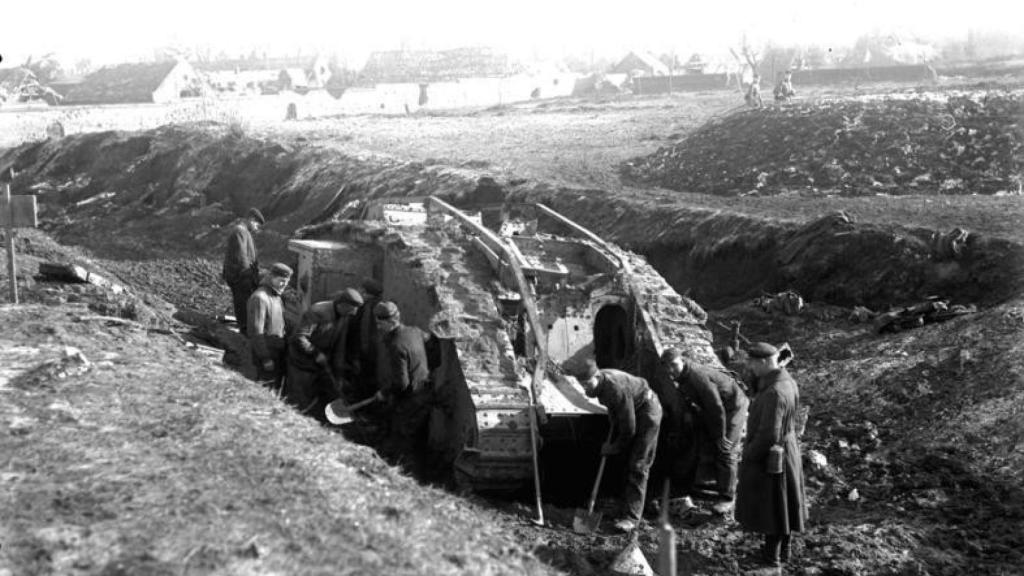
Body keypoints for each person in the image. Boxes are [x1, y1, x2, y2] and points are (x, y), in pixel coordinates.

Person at [735, 342, 807, 568]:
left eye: (753, 363)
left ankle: (771, 558)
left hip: (773, 457)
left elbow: (768, 434)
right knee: (784, 505)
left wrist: (748, 456)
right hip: (788, 449)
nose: (750, 367)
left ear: (765, 362)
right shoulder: (788, 382)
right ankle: (783, 552)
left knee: (773, 507)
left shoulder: (774, 392)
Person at [576, 359, 662, 533]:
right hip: (632, 407)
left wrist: (614, 447)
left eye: (587, 384)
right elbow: (617, 409)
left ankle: (632, 518)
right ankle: (625, 503)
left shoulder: (615, 388)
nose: (585, 388)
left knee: (638, 464)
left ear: (598, 376)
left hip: (648, 411)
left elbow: (629, 429)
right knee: (626, 460)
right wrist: (613, 423)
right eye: (581, 385)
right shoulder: (602, 384)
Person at [661, 348, 749, 515]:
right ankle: (706, 484)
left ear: (683, 361)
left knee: (726, 450)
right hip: (713, 409)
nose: (670, 369)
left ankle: (727, 497)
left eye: (673, 365)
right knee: (702, 441)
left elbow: (717, 408)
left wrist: (720, 435)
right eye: (667, 366)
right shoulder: (681, 377)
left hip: (732, 407)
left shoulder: (697, 376)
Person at [373, 301, 433, 477]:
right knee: (419, 439)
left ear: (391, 322)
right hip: (425, 392)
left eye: (380, 322)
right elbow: (430, 341)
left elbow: (401, 384)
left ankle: (406, 476)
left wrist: (383, 393)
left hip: (411, 399)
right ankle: (423, 473)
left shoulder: (396, 346)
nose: (377, 326)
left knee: (403, 439)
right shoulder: (415, 332)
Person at [285, 288, 364, 418]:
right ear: (342, 304)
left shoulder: (344, 316)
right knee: (299, 399)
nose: (354, 313)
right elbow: (300, 337)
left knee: (319, 396)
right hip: (301, 363)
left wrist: (338, 373)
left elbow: (340, 345)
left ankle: (316, 420)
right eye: (353, 308)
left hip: (319, 364)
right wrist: (315, 353)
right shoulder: (317, 312)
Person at [247, 263, 292, 388]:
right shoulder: (260, 298)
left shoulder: (276, 295)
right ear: (271, 277)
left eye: (287, 281)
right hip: (267, 352)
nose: (285, 284)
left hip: (277, 351)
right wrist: (265, 358)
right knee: (265, 386)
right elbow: (255, 331)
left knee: (275, 386)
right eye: (282, 281)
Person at [222, 208, 265, 333]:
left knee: (243, 304)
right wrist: (248, 276)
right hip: (240, 277)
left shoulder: (243, 232)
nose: (257, 228)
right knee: (242, 305)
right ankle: (244, 331)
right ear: (251, 219)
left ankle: (245, 329)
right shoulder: (239, 232)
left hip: (242, 276)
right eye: (256, 224)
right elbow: (241, 257)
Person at [347, 278, 384, 398]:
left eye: (361, 290)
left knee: (363, 380)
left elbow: (364, 334)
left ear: (366, 293)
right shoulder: (373, 305)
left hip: (366, 353)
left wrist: (357, 355)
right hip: (369, 352)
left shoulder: (369, 308)